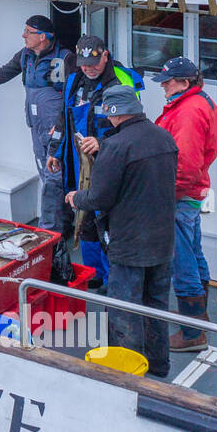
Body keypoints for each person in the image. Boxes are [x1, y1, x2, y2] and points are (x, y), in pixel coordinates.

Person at [66, 83, 178, 378]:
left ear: (113, 114)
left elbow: (100, 197)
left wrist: (75, 198)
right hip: (163, 240)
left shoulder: (116, 146)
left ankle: (124, 373)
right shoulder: (164, 138)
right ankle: (159, 364)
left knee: (123, 308)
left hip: (129, 243)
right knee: (156, 305)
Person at [0, 14, 73, 232]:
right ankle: (59, 224)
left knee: (55, 174)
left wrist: (61, 124)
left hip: (57, 129)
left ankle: (52, 229)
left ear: (43, 37)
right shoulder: (25, 56)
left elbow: (70, 96)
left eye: (28, 31)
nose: (23, 35)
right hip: (36, 126)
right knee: (47, 175)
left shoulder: (64, 59)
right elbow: (3, 73)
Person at [48, 35, 142, 289]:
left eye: (93, 62)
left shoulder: (121, 82)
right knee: (85, 218)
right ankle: (94, 274)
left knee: (108, 223)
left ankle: (115, 281)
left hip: (111, 164)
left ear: (105, 55)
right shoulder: (74, 80)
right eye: (83, 63)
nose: (88, 68)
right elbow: (63, 117)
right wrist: (55, 151)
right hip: (80, 166)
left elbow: (133, 126)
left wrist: (103, 144)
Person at [152, 56, 217, 352]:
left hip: (179, 196)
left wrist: (167, 193)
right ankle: (200, 318)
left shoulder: (188, 112)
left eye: (168, 81)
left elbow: (185, 165)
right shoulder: (200, 102)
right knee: (194, 253)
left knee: (182, 262)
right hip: (192, 192)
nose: (164, 86)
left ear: (184, 83)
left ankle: (192, 332)